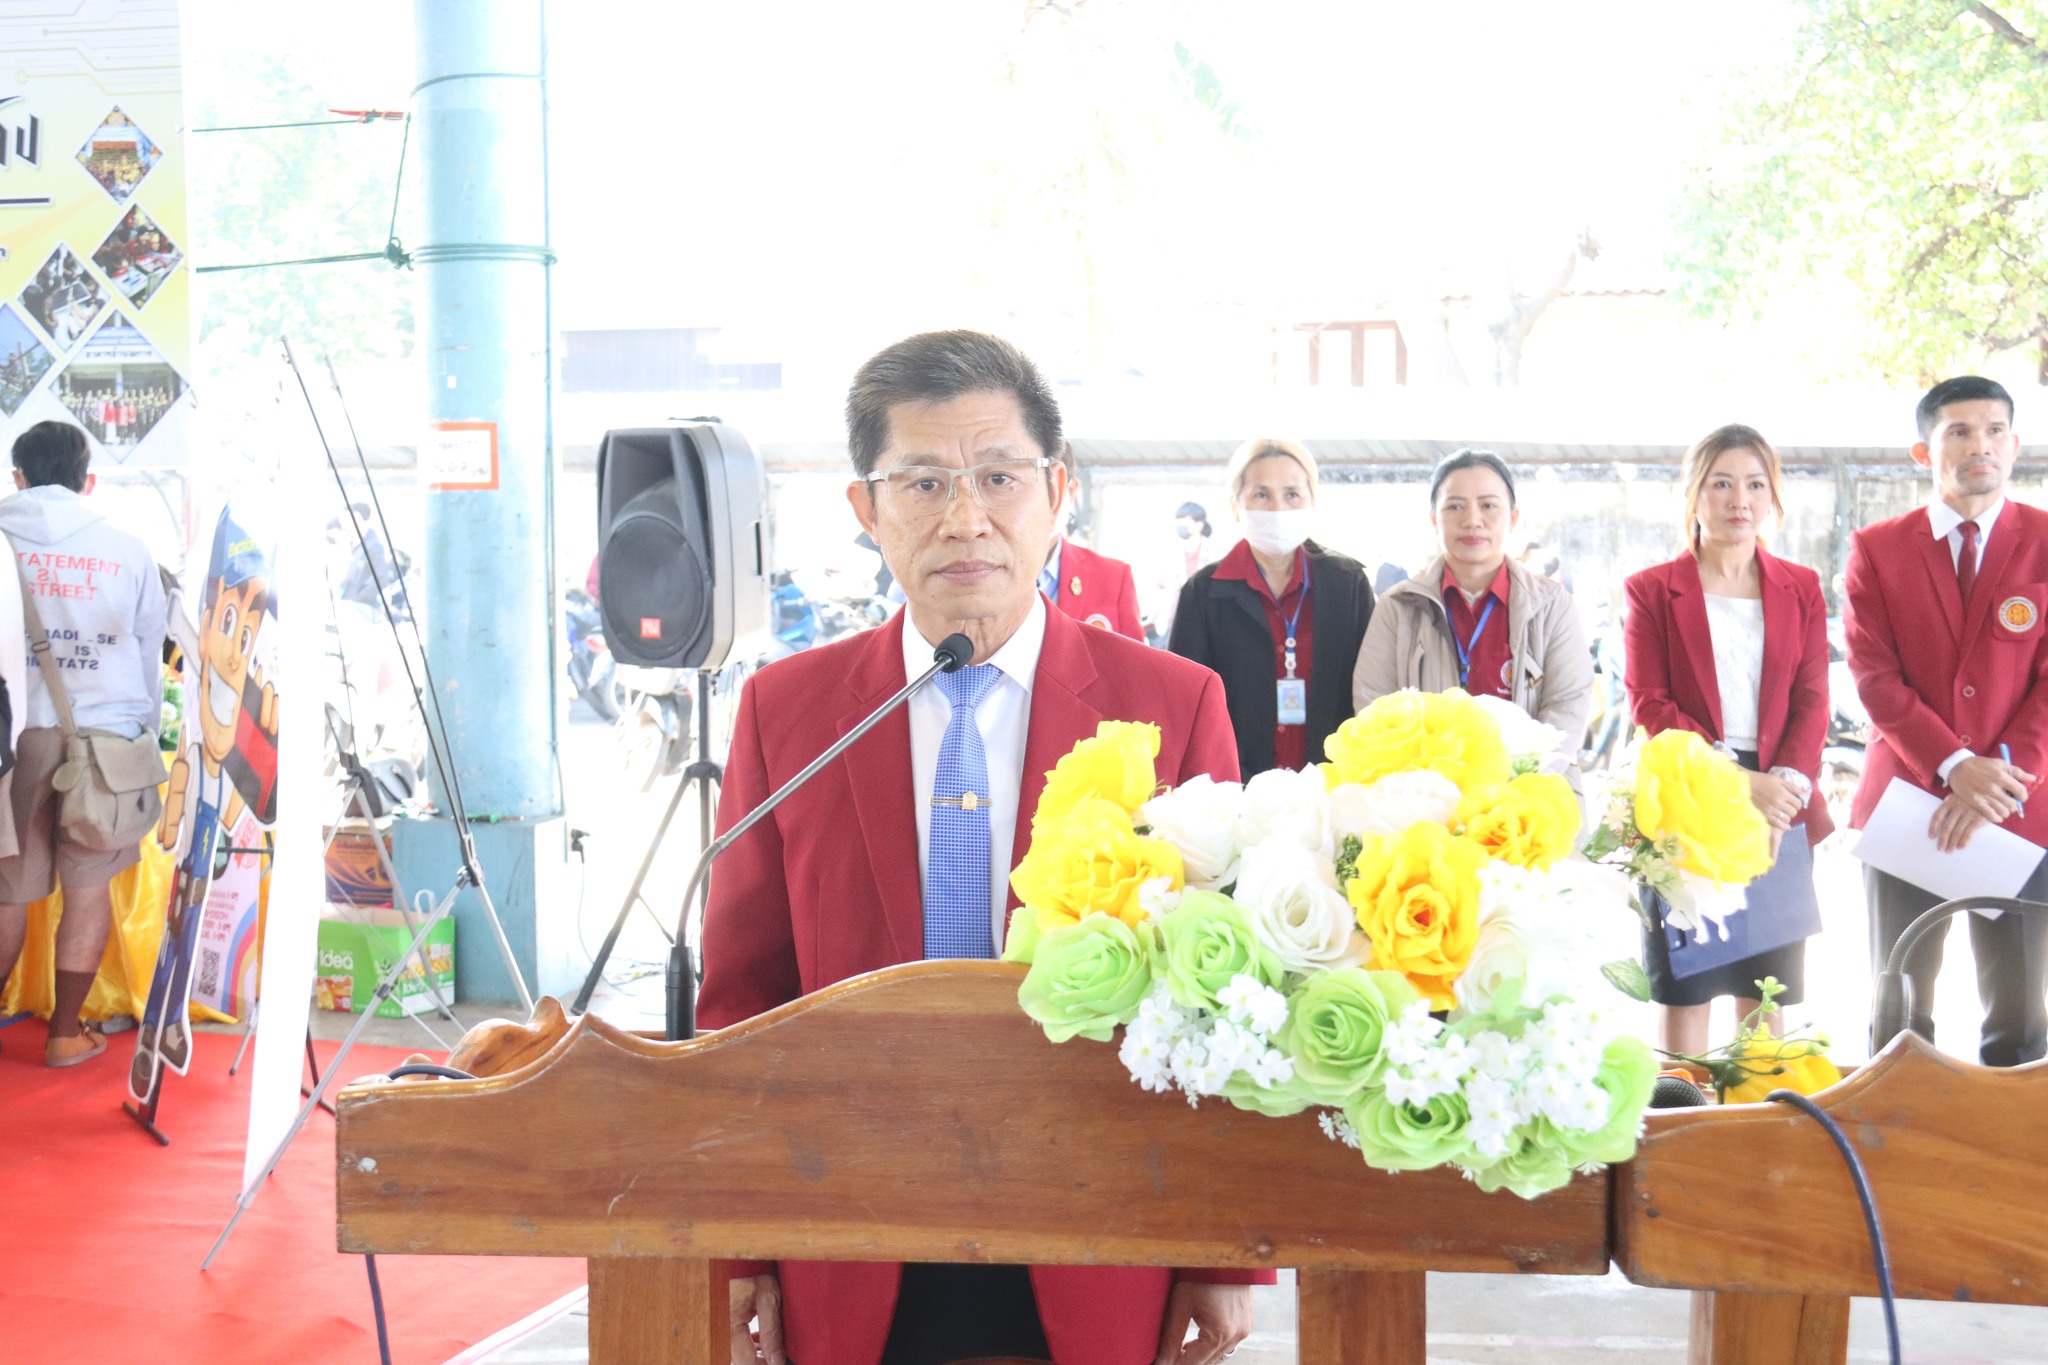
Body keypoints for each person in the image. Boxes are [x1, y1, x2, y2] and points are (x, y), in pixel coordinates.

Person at [697, 331, 1262, 1365]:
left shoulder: (1172, 705)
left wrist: (1226, 1255)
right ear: (867, 510)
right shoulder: (790, 711)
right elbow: (744, 1000)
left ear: (1057, 492)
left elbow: (1220, 994)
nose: (965, 518)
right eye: (922, 483)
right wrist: (740, 1246)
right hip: (851, 1226)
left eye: (998, 477)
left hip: (1098, 1224)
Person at [1846, 375, 2048, 1067]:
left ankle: (2013, 1139)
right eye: (1958, 431)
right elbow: (1873, 676)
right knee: (1899, 1011)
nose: (1978, 445)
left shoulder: (2045, 539)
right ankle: (1894, 1135)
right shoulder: (1878, 548)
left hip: (2019, 807)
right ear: (1923, 451)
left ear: (2014, 445)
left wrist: (1997, 779)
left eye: (1994, 430)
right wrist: (1955, 767)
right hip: (1908, 804)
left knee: (2022, 1016)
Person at [1622, 425, 1831, 1053]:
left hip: (1782, 792)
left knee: (1765, 995)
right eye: (1721, 483)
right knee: (1687, 988)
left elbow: (1812, 699)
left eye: (1755, 484)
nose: (1739, 499)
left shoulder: (1801, 586)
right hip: (1686, 792)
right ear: (1694, 494)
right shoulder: (1652, 590)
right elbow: (1649, 704)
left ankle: (1754, 1113)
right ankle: (1682, 1109)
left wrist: (1781, 793)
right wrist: (1739, 784)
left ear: (1772, 497)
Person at [0, 420, 165, 1067]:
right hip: (107, 742)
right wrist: (141, 726)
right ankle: (66, 1034)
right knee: (88, 886)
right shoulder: (127, 548)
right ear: (87, 480)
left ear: (18, 477)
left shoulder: (2, 536)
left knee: (8, 888)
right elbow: (148, 650)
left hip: (15, 739)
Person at [1352, 449, 1592, 752]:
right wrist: (1425, 775)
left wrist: (1521, 773)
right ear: (1434, 519)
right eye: (1455, 507)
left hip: (1529, 780)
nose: (1472, 520)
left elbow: (1567, 709)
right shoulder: (1398, 608)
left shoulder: (1552, 606)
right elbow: (1373, 710)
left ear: (1512, 518)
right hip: (1424, 780)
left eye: (1488, 505)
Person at [1168, 437, 1375, 777]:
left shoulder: (1348, 584)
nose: (1278, 508)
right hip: (1233, 787)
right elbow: (1185, 702)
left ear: (1312, 501)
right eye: (1261, 495)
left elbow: (1368, 696)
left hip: (1333, 785)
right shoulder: (1203, 592)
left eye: (1292, 494)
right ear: (1236, 506)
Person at [1040, 442, 1144, 639]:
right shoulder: (982, 572)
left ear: (1071, 491)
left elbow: (1133, 655)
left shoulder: (1112, 577)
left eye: (1051, 490)